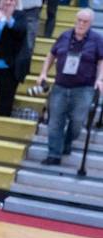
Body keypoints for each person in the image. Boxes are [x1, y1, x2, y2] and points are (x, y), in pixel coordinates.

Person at [36, 8, 103, 165]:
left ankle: (66, 143)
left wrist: (100, 79)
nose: (80, 24)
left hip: (84, 88)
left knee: (77, 122)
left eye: (84, 21)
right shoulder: (65, 35)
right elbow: (51, 55)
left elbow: (101, 61)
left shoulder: (97, 39)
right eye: (78, 20)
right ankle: (54, 154)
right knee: (55, 121)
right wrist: (43, 73)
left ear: (90, 23)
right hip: (60, 85)